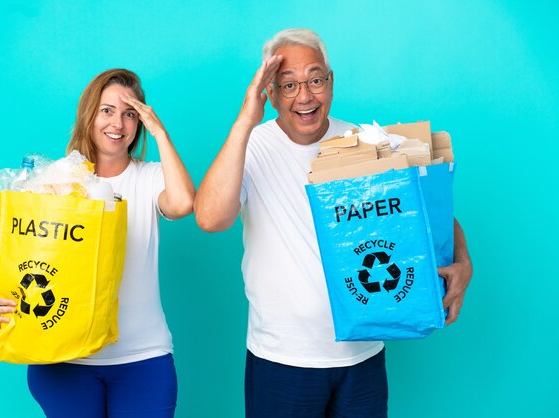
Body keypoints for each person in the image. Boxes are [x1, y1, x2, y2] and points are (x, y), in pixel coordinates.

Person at [194, 28, 473, 418]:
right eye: (288, 85)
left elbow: (426, 212)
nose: (304, 96)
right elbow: (209, 218)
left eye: (315, 80)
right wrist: (245, 119)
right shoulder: (250, 146)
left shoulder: (364, 144)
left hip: (363, 356)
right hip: (282, 358)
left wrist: (463, 260)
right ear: (270, 93)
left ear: (331, 81)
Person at [0, 68, 195, 418]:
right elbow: (30, 258)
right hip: (64, 358)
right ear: (89, 115)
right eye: (107, 110)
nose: (118, 123)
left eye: (130, 113)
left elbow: (185, 202)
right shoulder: (55, 181)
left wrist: (159, 132)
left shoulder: (151, 177)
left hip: (141, 358)